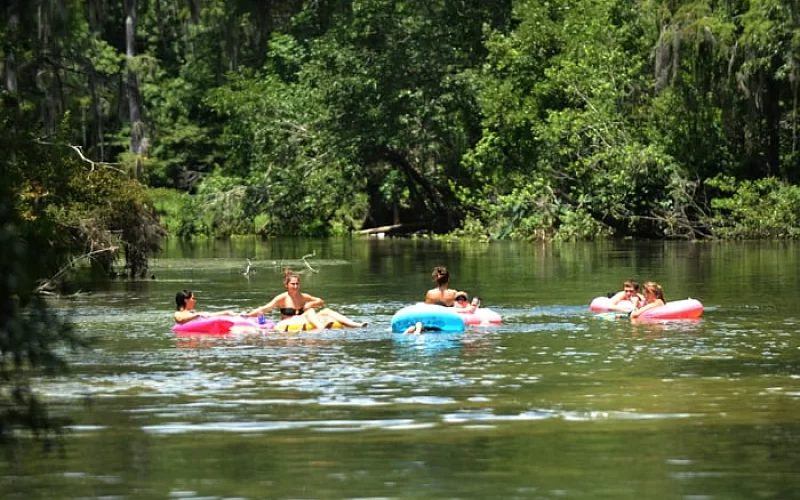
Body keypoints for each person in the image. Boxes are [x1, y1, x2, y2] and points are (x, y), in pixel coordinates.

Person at [246, 269, 367, 330]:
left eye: (297, 284)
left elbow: (320, 301)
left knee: (327, 311)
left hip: (303, 320)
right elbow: (265, 308)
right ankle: (321, 329)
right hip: (288, 323)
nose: (295, 286)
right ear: (286, 284)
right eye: (292, 284)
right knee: (309, 312)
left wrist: (311, 304)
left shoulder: (303, 296)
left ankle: (356, 325)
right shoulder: (282, 298)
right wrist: (247, 316)